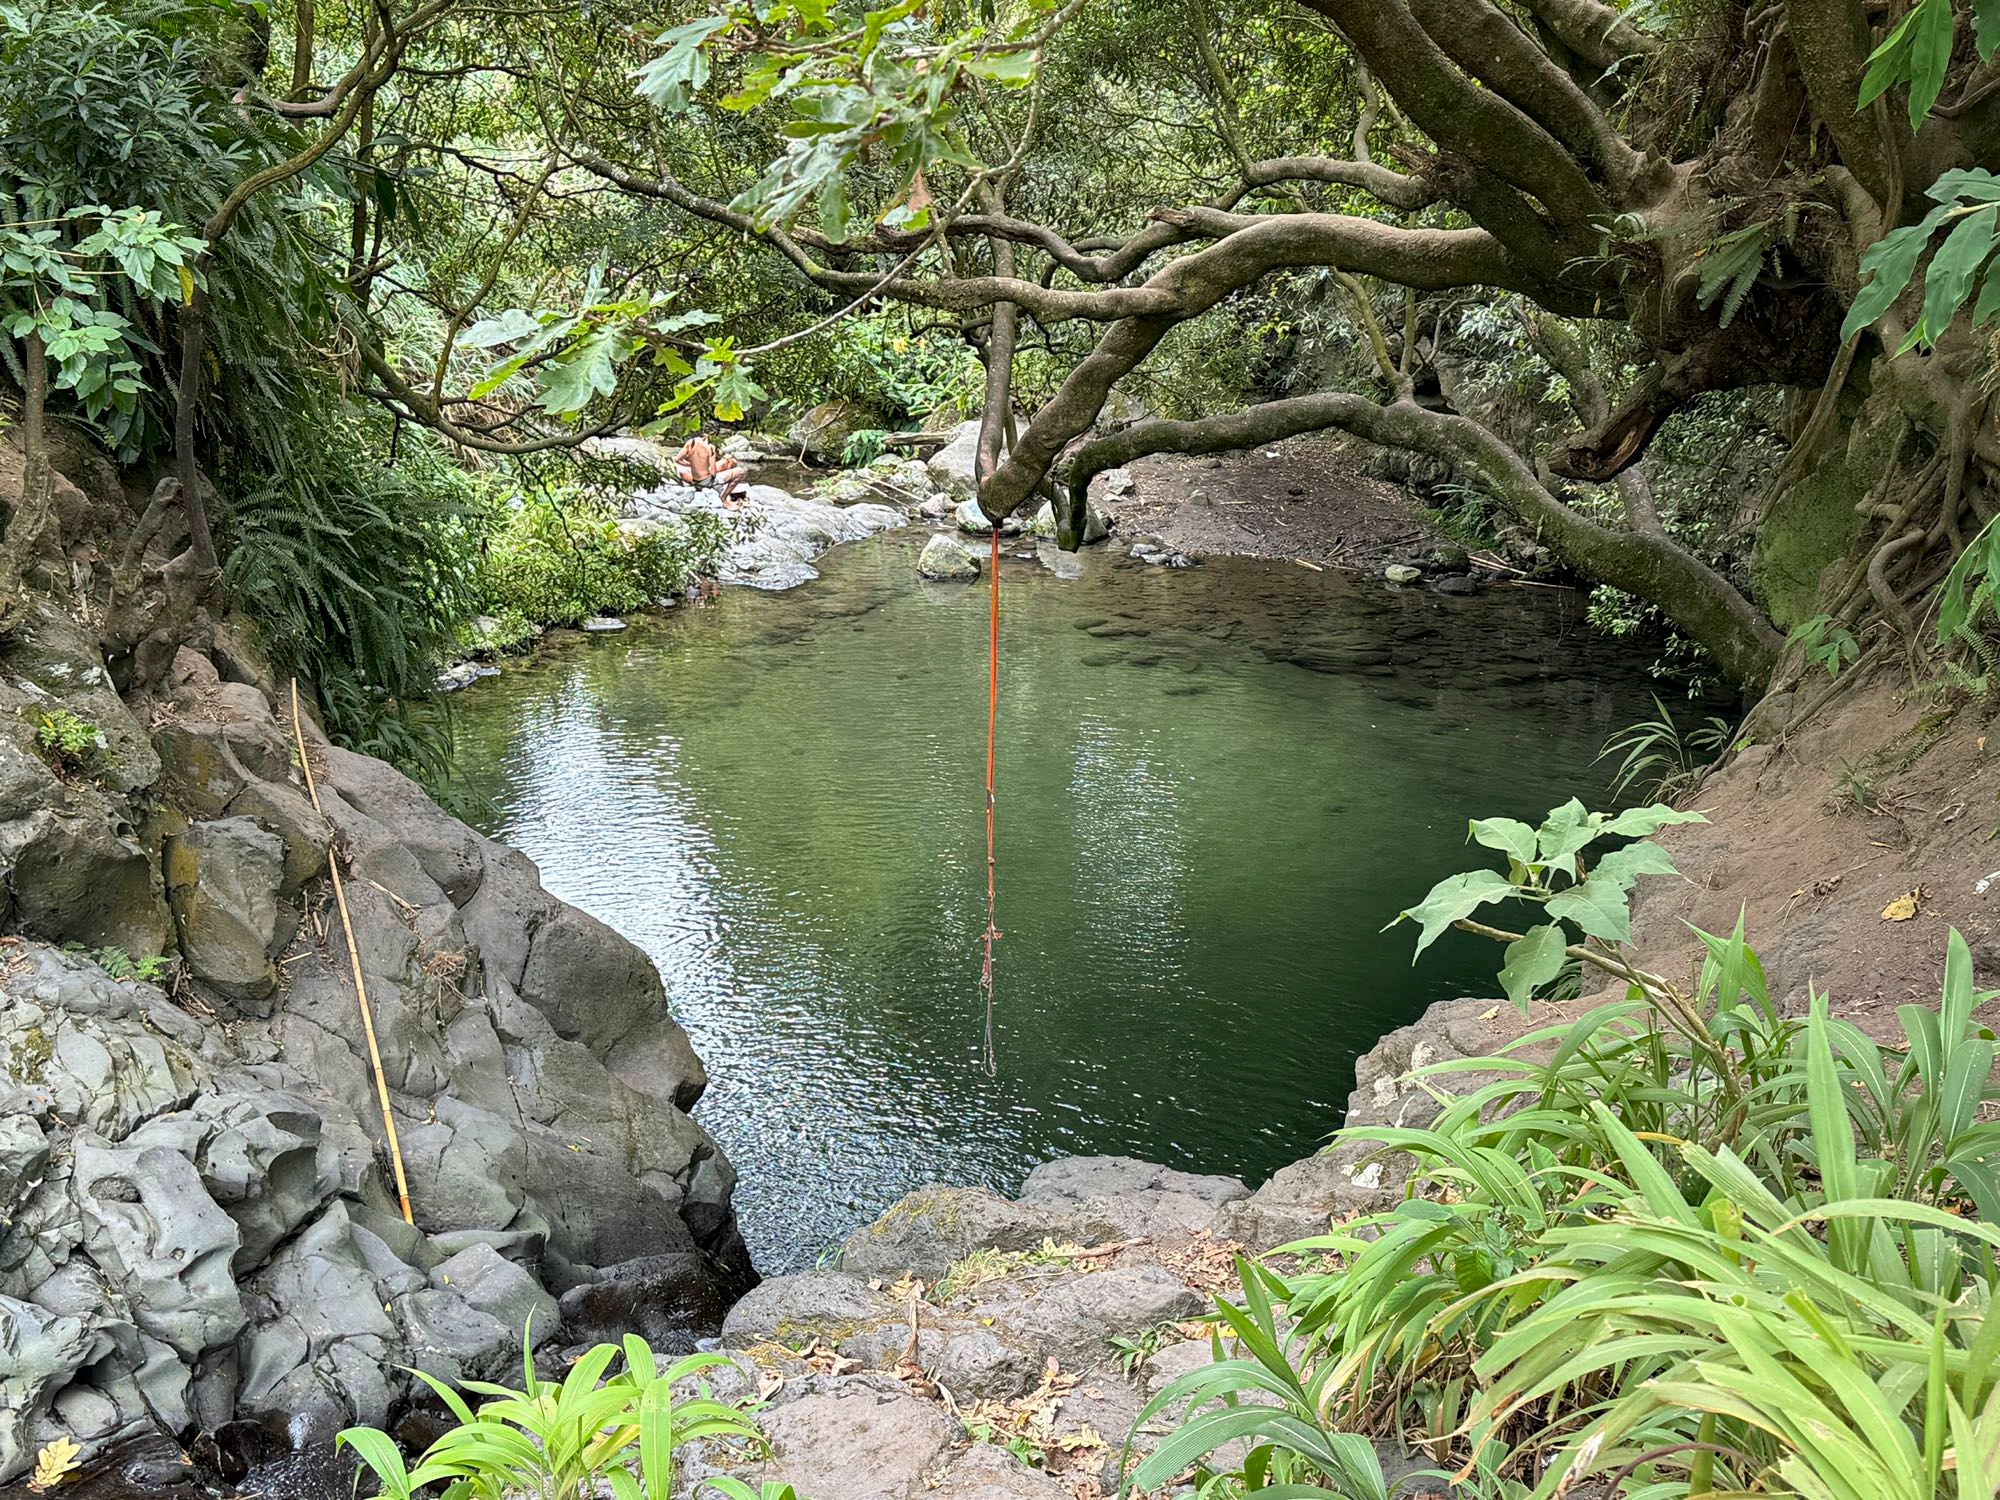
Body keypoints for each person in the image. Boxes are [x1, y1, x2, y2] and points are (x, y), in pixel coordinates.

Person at [673, 434, 746, 508]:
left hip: (695, 480)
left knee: (727, 459)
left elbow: (677, 459)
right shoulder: (710, 447)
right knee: (740, 471)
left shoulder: (691, 443)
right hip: (707, 482)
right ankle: (723, 498)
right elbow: (713, 472)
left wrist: (690, 464)